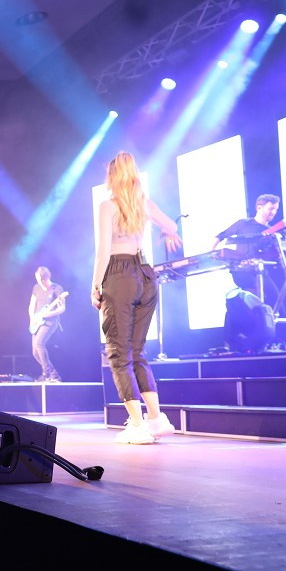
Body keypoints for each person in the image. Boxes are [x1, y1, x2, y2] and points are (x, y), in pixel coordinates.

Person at [91, 152, 182, 444]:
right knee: (137, 351)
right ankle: (156, 419)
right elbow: (172, 226)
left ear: (112, 176)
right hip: (145, 275)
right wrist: (167, 235)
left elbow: (103, 251)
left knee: (118, 353)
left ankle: (137, 424)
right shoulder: (143, 204)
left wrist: (95, 285)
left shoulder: (108, 206)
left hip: (119, 275)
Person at [210, 193, 284, 309]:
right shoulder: (243, 224)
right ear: (259, 208)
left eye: (275, 209)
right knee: (254, 300)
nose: (273, 212)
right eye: (271, 208)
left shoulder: (270, 231)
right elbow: (219, 237)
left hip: (260, 271)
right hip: (241, 271)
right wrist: (211, 253)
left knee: (277, 303)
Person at [28, 266, 65, 382]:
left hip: (50, 321)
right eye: (39, 280)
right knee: (35, 352)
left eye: (42, 280)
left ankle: (46, 374)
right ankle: (54, 375)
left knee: (39, 343)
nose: (41, 283)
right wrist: (32, 319)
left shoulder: (57, 289)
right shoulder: (36, 288)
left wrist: (50, 314)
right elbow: (31, 305)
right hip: (37, 322)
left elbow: (62, 308)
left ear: (46, 278)